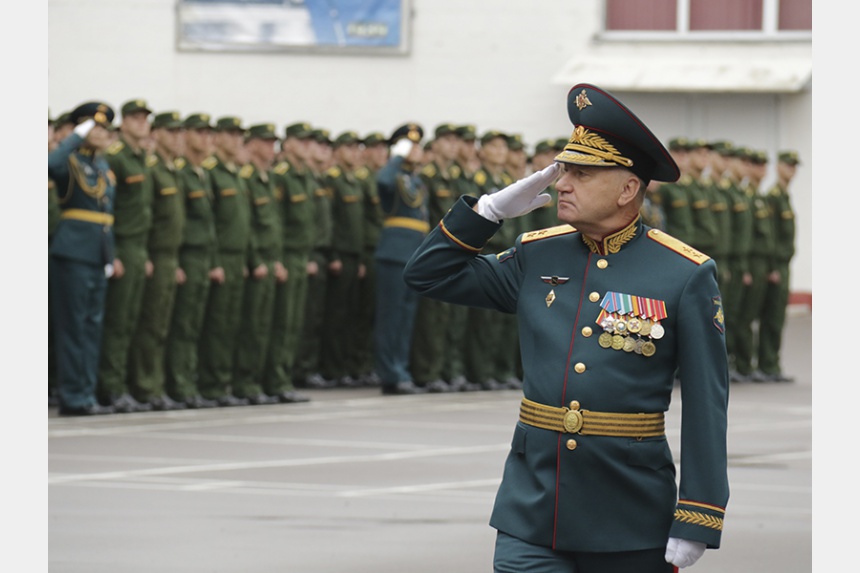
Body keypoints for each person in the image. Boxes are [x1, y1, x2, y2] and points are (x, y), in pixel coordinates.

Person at [404, 83, 729, 572]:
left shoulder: (683, 273)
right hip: (532, 507)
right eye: (563, 172)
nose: (561, 184)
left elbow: (707, 403)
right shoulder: (538, 254)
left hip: (630, 512)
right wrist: (486, 213)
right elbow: (427, 274)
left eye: (581, 174)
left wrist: (699, 515)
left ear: (628, 189)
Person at [48, 102, 117, 416]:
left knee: (92, 327)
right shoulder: (70, 161)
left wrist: (110, 255)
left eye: (105, 128)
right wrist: (75, 137)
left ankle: (85, 393)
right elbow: (49, 165)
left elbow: (105, 217)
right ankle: (73, 396)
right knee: (73, 328)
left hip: (96, 253)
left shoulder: (102, 166)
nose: (102, 133)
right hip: (72, 253)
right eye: (95, 127)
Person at [127, 111, 188, 410]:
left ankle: (156, 383)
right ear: (159, 134)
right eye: (172, 132)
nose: (179, 138)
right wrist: (148, 254)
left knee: (163, 326)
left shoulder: (172, 170)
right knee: (148, 324)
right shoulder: (151, 169)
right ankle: (145, 386)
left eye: (180, 133)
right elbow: (145, 215)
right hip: (153, 254)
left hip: (170, 256)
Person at [98, 99, 155, 414]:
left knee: (132, 321)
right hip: (122, 246)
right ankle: (111, 387)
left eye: (145, 118)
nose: (141, 123)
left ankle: (123, 385)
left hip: (139, 248)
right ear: (123, 123)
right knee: (117, 323)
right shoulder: (116, 158)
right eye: (135, 118)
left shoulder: (141, 158)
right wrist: (114, 253)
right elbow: (109, 208)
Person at [165, 113, 221, 408]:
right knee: (181, 325)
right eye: (198, 132)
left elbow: (209, 224)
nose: (205, 139)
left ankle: (189, 381)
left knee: (194, 326)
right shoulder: (182, 173)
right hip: (185, 255)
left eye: (208, 133)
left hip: (202, 256)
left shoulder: (201, 173)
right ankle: (178, 385)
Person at [197, 116, 253, 406]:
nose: (236, 140)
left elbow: (243, 224)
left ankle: (223, 381)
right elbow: (210, 224)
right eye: (229, 134)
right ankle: (210, 385)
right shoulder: (212, 172)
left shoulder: (236, 173)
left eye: (238, 135)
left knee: (232, 325)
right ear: (218, 138)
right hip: (219, 258)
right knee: (215, 326)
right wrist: (216, 260)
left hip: (237, 258)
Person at [374, 123, 429, 395]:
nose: (417, 151)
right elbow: (382, 181)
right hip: (394, 253)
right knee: (391, 317)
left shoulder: (415, 180)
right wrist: (398, 155)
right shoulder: (392, 175)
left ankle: (401, 369)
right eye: (411, 146)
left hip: (413, 253)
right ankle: (389, 373)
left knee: (406, 318)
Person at [231, 123, 284, 404]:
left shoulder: (268, 177)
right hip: (255, 261)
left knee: (266, 326)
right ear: (252, 145)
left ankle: (261, 381)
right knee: (251, 326)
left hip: (270, 259)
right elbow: (247, 226)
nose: (271, 148)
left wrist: (276, 260)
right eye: (266, 142)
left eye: (274, 142)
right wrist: (256, 260)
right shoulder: (248, 177)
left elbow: (274, 225)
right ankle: (245, 383)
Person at [262, 122, 315, 403]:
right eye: (302, 141)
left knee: (293, 322)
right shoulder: (282, 176)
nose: (308, 147)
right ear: (290, 144)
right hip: (285, 255)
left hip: (300, 256)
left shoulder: (303, 176)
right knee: (281, 321)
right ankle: (275, 379)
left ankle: (284, 376)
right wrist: (277, 259)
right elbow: (276, 221)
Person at [319, 131, 367, 387]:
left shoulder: (353, 181)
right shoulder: (334, 180)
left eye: (355, 147)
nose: (353, 152)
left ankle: (345, 366)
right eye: (348, 147)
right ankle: (332, 368)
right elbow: (332, 222)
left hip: (353, 255)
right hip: (339, 256)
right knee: (335, 317)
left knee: (350, 316)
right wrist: (334, 254)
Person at [757, 150, 799, 382]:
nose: (791, 171)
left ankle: (772, 363)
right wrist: (772, 266)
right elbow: (770, 235)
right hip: (775, 265)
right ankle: (766, 363)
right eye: (788, 166)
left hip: (784, 264)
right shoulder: (773, 196)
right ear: (779, 167)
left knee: (777, 317)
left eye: (794, 167)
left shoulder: (784, 195)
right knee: (769, 316)